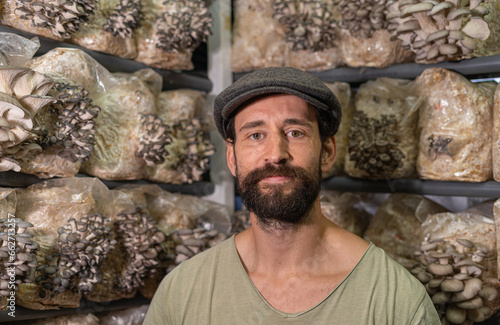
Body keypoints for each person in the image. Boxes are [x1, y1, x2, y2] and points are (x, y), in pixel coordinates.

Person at [144, 67, 440, 324]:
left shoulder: (396, 299)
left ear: (326, 152)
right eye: (255, 135)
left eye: (295, 132)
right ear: (232, 160)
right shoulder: (182, 293)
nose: (275, 154)